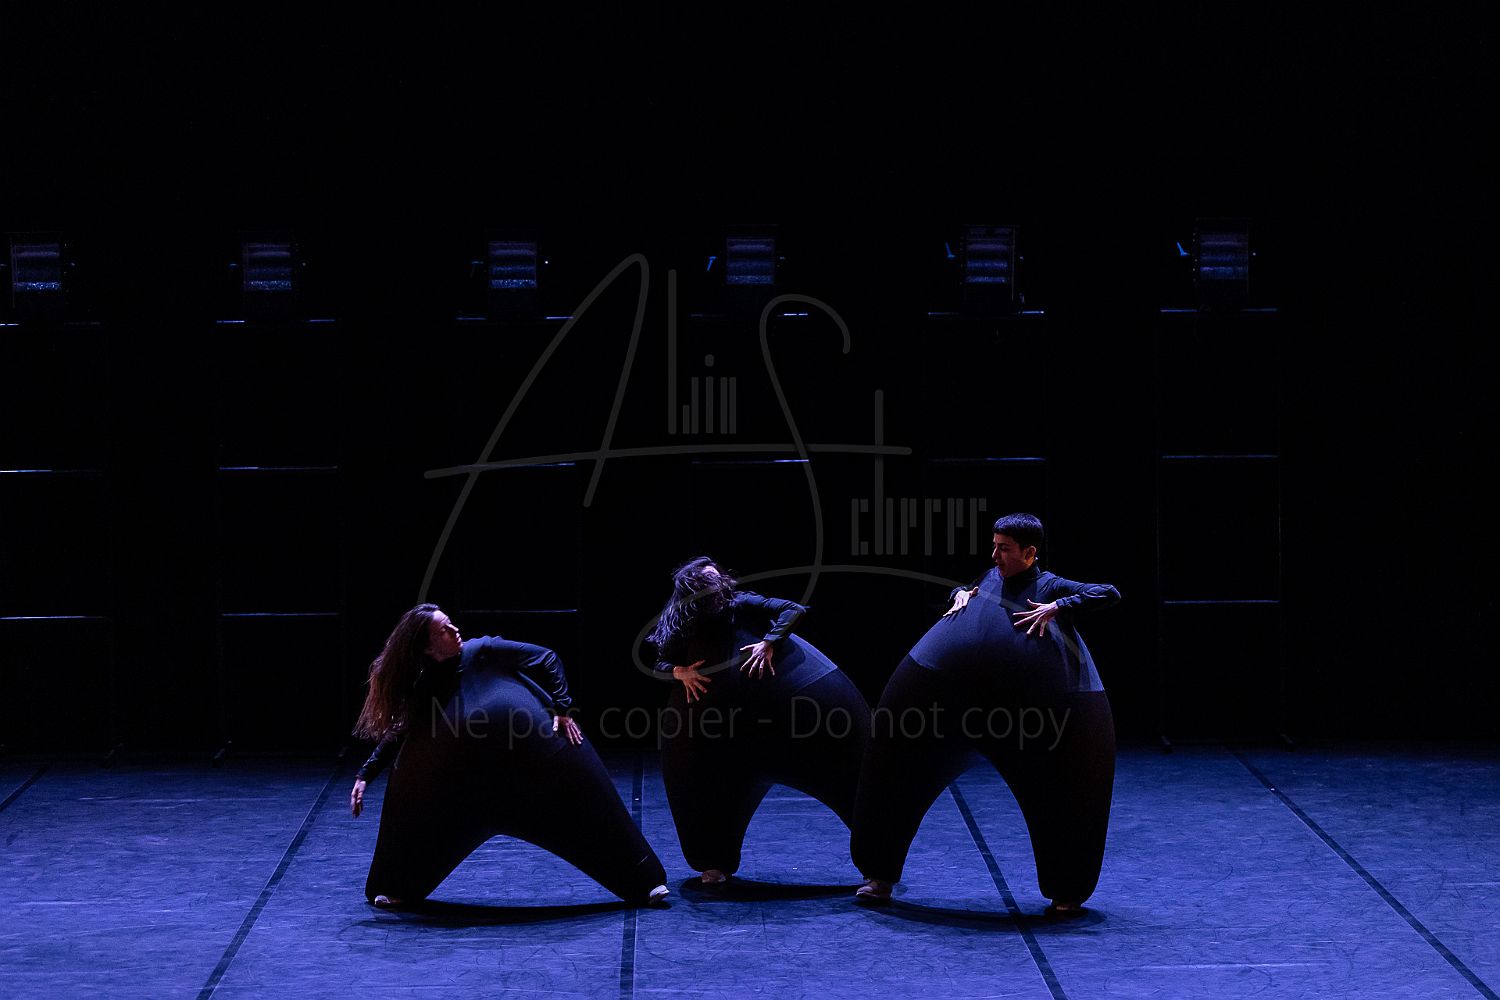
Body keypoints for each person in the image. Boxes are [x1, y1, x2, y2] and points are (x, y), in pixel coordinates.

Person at [850, 513, 1119, 916]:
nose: (994, 555)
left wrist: (1058, 606)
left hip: (1037, 713)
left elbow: (1108, 592)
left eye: (1003, 549)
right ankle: (878, 874)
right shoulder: (991, 576)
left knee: (1064, 795)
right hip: (946, 697)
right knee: (896, 769)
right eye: (994, 546)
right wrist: (960, 593)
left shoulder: (1050, 585)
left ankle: (1067, 888)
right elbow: (970, 585)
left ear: (1029, 553)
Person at [351, 603, 669, 907]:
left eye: (450, 623)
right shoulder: (426, 687)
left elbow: (546, 657)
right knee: (411, 807)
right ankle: (395, 885)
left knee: (593, 810)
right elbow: (400, 731)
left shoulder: (482, 651)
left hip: (534, 766)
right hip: (468, 788)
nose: (455, 629)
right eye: (443, 630)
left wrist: (562, 708)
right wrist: (366, 775)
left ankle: (642, 880)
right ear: (428, 649)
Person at [649, 557, 871, 885]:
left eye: (720, 582)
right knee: (706, 797)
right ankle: (713, 861)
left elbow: (793, 609)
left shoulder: (740, 603)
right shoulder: (685, 622)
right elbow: (659, 661)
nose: (720, 590)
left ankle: (876, 860)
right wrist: (678, 672)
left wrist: (770, 642)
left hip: (787, 714)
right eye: (711, 585)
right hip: (714, 732)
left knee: (855, 782)